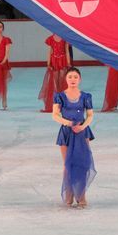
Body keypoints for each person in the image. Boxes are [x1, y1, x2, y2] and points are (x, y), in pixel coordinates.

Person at [52, 67, 96, 207]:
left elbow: (90, 115)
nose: (72, 80)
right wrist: (68, 123)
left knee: (82, 164)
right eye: (70, 77)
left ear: (80, 79)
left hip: (82, 132)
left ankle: (81, 196)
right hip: (66, 132)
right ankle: (69, 195)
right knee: (67, 165)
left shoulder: (85, 96)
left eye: (75, 77)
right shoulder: (59, 96)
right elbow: (55, 115)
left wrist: (82, 126)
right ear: (66, 79)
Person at [39, 34, 71, 112]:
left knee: (62, 82)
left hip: (63, 60)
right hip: (54, 61)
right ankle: (58, 102)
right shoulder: (50, 39)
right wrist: (48, 63)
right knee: (56, 83)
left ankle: (63, 103)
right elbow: (50, 51)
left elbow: (67, 50)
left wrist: (68, 63)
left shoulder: (64, 38)